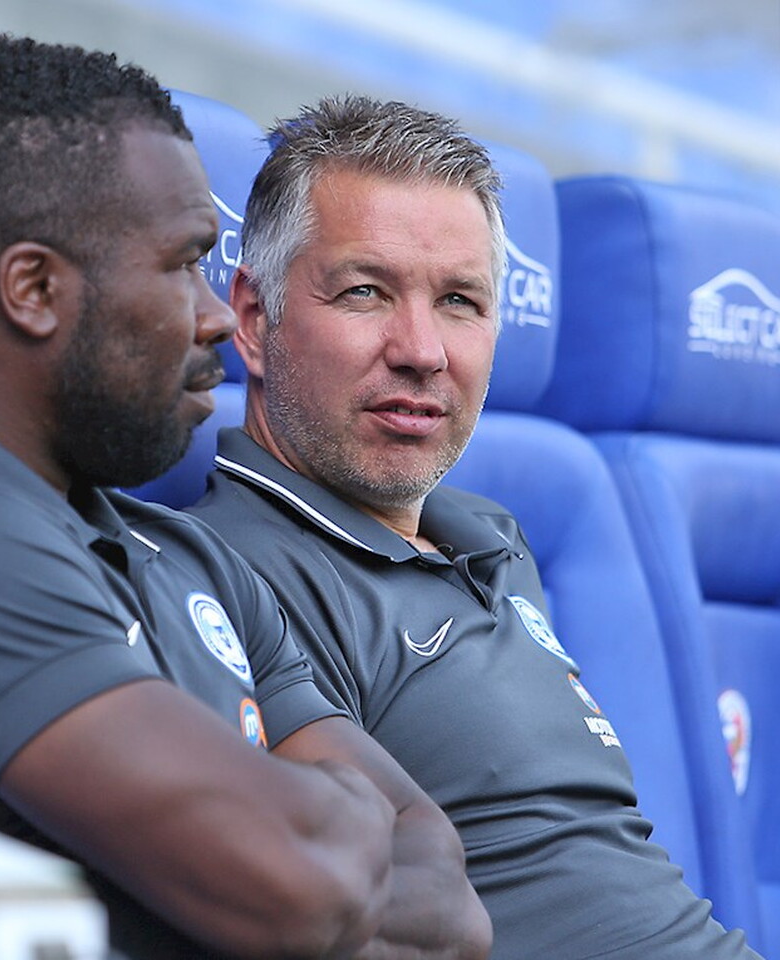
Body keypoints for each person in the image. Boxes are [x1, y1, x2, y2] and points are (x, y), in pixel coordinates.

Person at [0, 37, 492, 960]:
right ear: (34, 289)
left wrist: (285, 847)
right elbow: (306, 883)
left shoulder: (187, 555)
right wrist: (318, 823)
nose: (217, 316)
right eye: (183, 264)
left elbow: (450, 911)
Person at [187, 95, 762, 960]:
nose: (422, 349)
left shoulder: (497, 538)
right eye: (366, 291)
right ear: (255, 320)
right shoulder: (226, 574)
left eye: (459, 301)